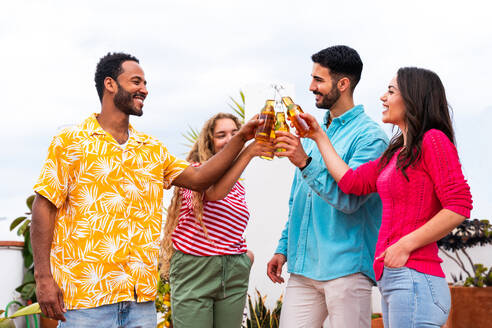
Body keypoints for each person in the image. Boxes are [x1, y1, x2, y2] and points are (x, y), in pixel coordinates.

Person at [30, 52, 267, 328]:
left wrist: (243, 139)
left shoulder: (152, 149)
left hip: (140, 301)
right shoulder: (70, 142)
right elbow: (43, 207)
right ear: (110, 84)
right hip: (86, 300)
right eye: (136, 81)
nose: (144, 89)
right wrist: (43, 278)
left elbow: (201, 179)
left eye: (145, 82)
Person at [300, 67, 473, 327]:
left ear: (413, 98)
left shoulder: (433, 141)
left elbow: (459, 205)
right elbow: (351, 182)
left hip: (416, 276)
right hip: (394, 278)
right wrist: (319, 137)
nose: (382, 97)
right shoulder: (395, 155)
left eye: (391, 91)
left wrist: (404, 245)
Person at [268, 45, 389, 328]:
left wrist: (306, 163)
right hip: (303, 271)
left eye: (319, 80)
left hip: (346, 271)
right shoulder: (309, 133)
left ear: (343, 84)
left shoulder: (371, 138)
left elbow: (351, 201)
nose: (311, 87)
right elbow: (298, 201)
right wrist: (283, 248)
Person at [161, 112, 268, 328]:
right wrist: (247, 153)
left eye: (235, 133)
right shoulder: (195, 172)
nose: (229, 139)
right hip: (195, 271)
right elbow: (212, 194)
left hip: (232, 273)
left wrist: (242, 258)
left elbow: (229, 228)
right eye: (221, 135)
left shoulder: (237, 184)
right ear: (209, 142)